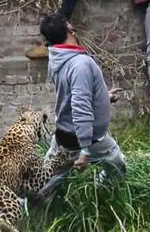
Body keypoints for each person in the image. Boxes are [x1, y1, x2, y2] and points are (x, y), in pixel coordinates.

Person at [36, 13, 126, 198]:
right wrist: (84, 149)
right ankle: (103, 193)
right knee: (116, 164)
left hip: (64, 132)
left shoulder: (58, 57)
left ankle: (26, 205)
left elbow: (74, 95)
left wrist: (103, 97)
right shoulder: (80, 64)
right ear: (69, 27)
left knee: (46, 180)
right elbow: (80, 107)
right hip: (88, 138)